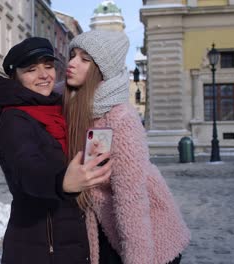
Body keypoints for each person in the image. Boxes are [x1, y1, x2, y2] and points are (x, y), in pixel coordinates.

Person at [64, 30, 191, 264]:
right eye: (72, 55)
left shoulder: (120, 118)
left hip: (147, 239)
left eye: (84, 58)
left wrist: (138, 259)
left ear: (101, 69)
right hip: (106, 232)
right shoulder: (79, 109)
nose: (71, 63)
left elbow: (131, 198)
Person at [0, 37, 112, 264]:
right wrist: (61, 182)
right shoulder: (15, 119)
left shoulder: (55, 108)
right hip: (41, 246)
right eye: (31, 70)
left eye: (48, 67)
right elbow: (26, 170)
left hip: (67, 238)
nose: (44, 75)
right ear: (15, 75)